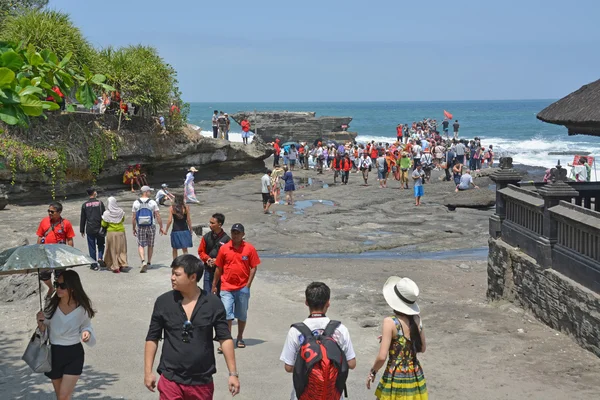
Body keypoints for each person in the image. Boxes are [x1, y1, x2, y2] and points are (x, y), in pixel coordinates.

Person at [144, 255, 240, 399]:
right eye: (172, 273)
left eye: (177, 274)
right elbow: (152, 337)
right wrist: (148, 372)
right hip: (171, 379)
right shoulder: (163, 302)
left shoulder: (213, 304)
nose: (172, 278)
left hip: (201, 381)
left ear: (192, 277)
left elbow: (225, 338)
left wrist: (233, 374)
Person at [280, 282, 357, 400]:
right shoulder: (340, 329)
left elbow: (288, 367)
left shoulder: (296, 331)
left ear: (306, 302)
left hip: (303, 395)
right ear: (328, 303)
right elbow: (351, 364)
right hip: (332, 395)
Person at [36, 270, 96, 400]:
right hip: (54, 353)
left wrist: (87, 332)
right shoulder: (51, 305)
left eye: (63, 286)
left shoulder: (82, 308)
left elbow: (86, 325)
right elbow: (44, 329)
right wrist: (41, 322)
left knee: (63, 395)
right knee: (61, 397)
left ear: (73, 288)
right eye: (57, 284)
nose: (58, 288)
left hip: (73, 354)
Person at [366, 277, 427, 400]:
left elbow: (382, 357)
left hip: (395, 376)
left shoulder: (390, 322)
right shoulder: (417, 319)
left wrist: (373, 371)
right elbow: (422, 348)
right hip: (414, 374)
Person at [213, 223, 260, 350]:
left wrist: (248, 285)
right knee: (227, 315)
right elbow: (218, 268)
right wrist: (214, 285)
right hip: (226, 287)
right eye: (234, 232)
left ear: (243, 234)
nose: (235, 235)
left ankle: (239, 337)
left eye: (238, 233)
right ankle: (227, 341)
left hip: (242, 288)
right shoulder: (224, 248)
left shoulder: (249, 249)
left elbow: (254, 267)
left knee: (242, 315)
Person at [36, 201, 76, 298]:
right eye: (48, 211)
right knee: (44, 274)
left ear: (59, 212)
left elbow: (69, 239)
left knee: (60, 276)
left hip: (60, 253)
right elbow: (40, 236)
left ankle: (59, 294)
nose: (50, 213)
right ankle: (51, 287)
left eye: (52, 212)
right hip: (46, 252)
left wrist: (69, 253)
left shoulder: (66, 223)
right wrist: (38, 250)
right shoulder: (44, 221)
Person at [132, 186, 165, 273]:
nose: (150, 192)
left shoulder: (136, 203)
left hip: (140, 226)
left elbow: (133, 217)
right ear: (146, 192)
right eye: (149, 191)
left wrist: (133, 228)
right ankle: (149, 262)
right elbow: (157, 215)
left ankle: (143, 261)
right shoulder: (152, 202)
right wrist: (161, 226)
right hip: (151, 225)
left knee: (141, 244)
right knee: (150, 244)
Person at [198, 213, 231, 295]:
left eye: (213, 223)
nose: (210, 225)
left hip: (221, 273)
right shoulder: (206, 237)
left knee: (220, 295)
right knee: (206, 294)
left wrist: (218, 261)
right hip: (208, 270)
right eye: (210, 222)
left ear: (219, 224)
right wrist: (207, 259)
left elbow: (230, 256)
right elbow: (201, 251)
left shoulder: (227, 240)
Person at [79, 188, 106, 271]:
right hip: (99, 227)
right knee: (101, 244)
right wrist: (106, 227)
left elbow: (83, 218)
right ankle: (100, 257)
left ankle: (94, 264)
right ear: (94, 193)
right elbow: (105, 215)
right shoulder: (100, 203)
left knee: (92, 246)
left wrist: (82, 229)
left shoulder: (84, 205)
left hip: (90, 228)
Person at [101, 197, 128, 273]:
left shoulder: (106, 213)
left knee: (112, 249)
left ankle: (115, 266)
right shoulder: (120, 211)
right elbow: (122, 220)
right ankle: (122, 263)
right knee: (121, 249)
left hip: (111, 232)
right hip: (121, 232)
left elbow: (104, 224)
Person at [166, 194, 194, 260]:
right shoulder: (186, 207)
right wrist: (191, 229)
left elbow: (169, 220)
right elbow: (188, 219)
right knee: (185, 248)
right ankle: (186, 262)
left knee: (175, 248)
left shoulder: (172, 208)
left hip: (175, 230)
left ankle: (175, 262)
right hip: (185, 229)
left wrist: (166, 230)